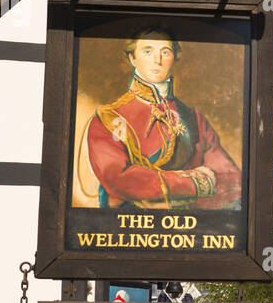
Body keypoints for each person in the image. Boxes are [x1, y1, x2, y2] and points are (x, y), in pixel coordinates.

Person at [83, 25, 242, 211]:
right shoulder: (109, 118)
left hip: (190, 231)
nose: (157, 60)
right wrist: (194, 185)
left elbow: (232, 180)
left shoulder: (194, 119)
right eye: (148, 51)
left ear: (175, 57)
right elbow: (117, 178)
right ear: (132, 58)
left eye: (165, 52)